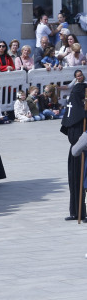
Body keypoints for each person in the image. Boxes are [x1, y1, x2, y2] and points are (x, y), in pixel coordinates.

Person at [61, 81, 87, 221]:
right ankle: (76, 211)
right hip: (78, 151)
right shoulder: (78, 110)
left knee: (83, 182)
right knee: (75, 181)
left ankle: (82, 211)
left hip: (81, 150)